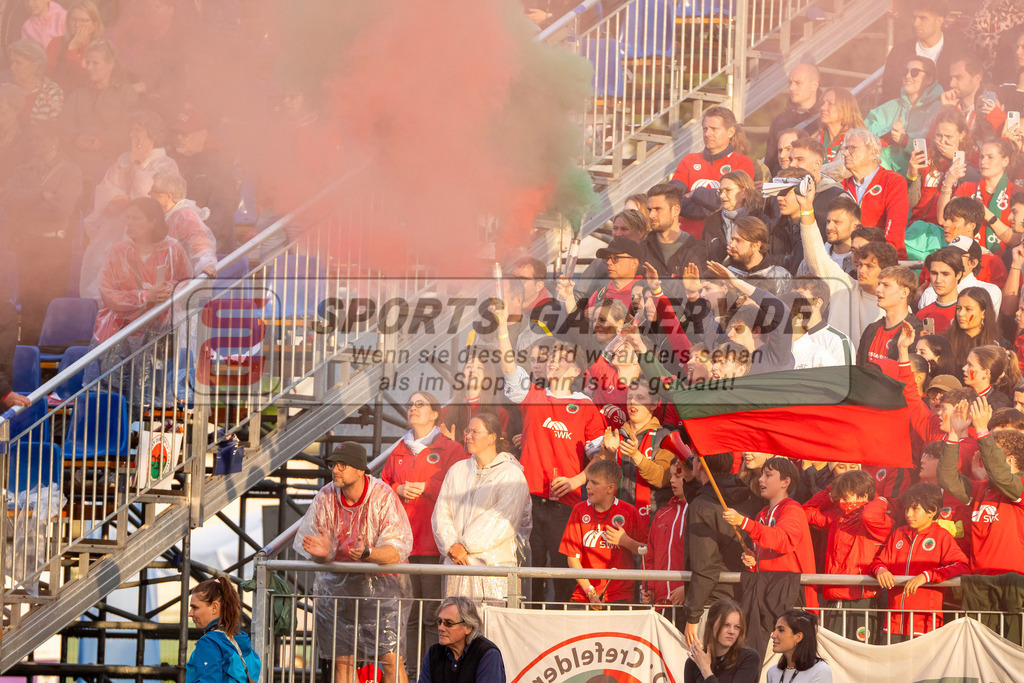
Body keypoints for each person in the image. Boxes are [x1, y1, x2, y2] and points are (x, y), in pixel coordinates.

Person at [494, 304, 605, 603]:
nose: (554, 361)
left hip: (565, 504)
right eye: (553, 356)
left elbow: (601, 458)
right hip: (528, 501)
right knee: (527, 573)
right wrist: (502, 327)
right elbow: (509, 368)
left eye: (562, 358)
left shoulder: (586, 407)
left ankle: (557, 622)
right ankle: (525, 621)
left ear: (576, 370)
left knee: (562, 574)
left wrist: (577, 480)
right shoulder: (534, 396)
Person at [294, 442, 414, 683]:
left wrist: (367, 553)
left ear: (360, 470)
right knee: (343, 662)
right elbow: (320, 548)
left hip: (382, 588)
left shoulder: (382, 496)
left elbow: (396, 551)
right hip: (340, 589)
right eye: (333, 465)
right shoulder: (326, 496)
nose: (335, 470)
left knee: (390, 659)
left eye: (342, 465)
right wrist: (322, 554)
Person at [382, 392, 467, 638]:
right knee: (407, 615)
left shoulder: (452, 449)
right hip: (403, 546)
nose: (413, 408)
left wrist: (427, 487)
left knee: (433, 615)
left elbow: (461, 489)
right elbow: (382, 488)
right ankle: (410, 664)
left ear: (434, 414)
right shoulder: (399, 449)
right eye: (410, 404)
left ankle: (431, 663)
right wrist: (397, 489)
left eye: (420, 404)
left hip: (434, 545)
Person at [79, 108, 178, 301]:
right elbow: (106, 192)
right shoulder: (122, 160)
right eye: (131, 130)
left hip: (146, 237)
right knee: (99, 271)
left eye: (137, 130)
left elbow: (147, 200)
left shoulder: (166, 164)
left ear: (152, 134)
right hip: (112, 232)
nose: (132, 135)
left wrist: (137, 165)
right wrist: (125, 199)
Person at [432, 413, 531, 604]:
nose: (468, 436)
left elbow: (502, 520)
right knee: (457, 618)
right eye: (467, 431)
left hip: (493, 567)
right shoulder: (457, 470)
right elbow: (441, 513)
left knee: (492, 620)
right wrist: (452, 546)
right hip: (457, 564)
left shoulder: (510, 474)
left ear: (492, 438)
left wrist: (465, 546)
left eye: (475, 432)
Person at [1, 121, 83, 344]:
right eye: (33, 139)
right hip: (28, 243)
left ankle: (51, 349)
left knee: (52, 300)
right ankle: (28, 348)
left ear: (55, 141)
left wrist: (28, 201)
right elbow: (8, 198)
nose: (34, 143)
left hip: (56, 246)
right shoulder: (22, 170)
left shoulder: (70, 170)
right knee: (29, 300)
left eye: (40, 138)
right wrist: (41, 195)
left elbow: (63, 208)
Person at [869, 482, 970, 640]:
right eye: (906, 508)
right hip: (893, 623)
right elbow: (878, 562)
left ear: (932, 511)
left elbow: (962, 566)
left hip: (925, 625)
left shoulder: (942, 536)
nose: (908, 514)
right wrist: (880, 570)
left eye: (915, 509)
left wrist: (927, 576)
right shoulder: (899, 533)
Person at [803, 470, 893, 641]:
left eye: (845, 497)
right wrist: (832, 491)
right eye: (840, 498)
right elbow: (805, 512)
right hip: (834, 598)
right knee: (831, 653)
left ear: (864, 496)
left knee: (861, 654)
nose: (841, 502)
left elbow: (869, 516)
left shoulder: (879, 520)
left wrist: (880, 499)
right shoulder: (836, 517)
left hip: (862, 600)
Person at [938, 396, 1024, 575]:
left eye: (992, 454)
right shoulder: (983, 488)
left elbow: (1001, 477)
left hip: (1012, 580)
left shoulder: (1021, 487)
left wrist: (982, 430)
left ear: (1010, 460)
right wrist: (954, 434)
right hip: (978, 580)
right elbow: (948, 479)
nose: (986, 459)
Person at [91, 196, 192, 344]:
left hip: (162, 331)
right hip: (121, 332)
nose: (129, 223)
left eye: (136, 218)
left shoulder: (172, 249)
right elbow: (107, 294)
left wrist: (168, 290)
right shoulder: (118, 252)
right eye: (128, 217)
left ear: (152, 222)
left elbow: (186, 284)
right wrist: (144, 296)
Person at [723, 457, 818, 609]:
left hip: (790, 595)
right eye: (762, 475)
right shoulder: (761, 514)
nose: (761, 479)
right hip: (768, 593)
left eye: (768, 475)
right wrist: (753, 562)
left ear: (785, 482)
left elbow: (782, 540)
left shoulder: (793, 509)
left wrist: (744, 522)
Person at [679, 452, 749, 645]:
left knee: (706, 661)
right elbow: (709, 499)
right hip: (742, 597)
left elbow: (705, 565)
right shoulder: (744, 492)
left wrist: (693, 616)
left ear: (701, 464)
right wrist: (690, 481)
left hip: (713, 604)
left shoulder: (701, 506)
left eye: (694, 457)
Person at [559, 459, 647, 608]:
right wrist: (590, 592)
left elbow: (646, 550)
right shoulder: (579, 510)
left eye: (594, 482)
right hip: (584, 595)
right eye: (588, 481)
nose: (588, 486)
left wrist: (625, 541)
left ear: (610, 488)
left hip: (620, 597)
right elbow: (572, 558)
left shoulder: (629, 511)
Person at [60, 39, 140, 189]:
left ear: (110, 65)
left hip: (113, 163)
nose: (89, 67)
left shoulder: (125, 94)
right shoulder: (78, 95)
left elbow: (131, 126)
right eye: (87, 62)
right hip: (77, 163)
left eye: (95, 63)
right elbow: (64, 123)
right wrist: (76, 137)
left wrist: (103, 139)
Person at [672, 107, 756, 237]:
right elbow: (672, 199)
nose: (707, 134)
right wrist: (714, 207)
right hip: (687, 240)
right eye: (705, 129)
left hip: (723, 240)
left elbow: (733, 203)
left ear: (730, 132)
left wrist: (694, 193)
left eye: (714, 129)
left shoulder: (742, 163)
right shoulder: (689, 160)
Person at [596, 379, 672, 519]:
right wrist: (610, 454)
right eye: (630, 397)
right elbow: (600, 481)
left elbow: (663, 478)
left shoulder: (664, 436)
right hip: (616, 518)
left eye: (640, 397)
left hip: (653, 519)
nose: (632, 402)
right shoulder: (615, 436)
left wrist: (637, 456)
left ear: (654, 404)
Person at [169, 104, 239, 251]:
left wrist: (197, 238)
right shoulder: (169, 161)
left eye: (185, 133)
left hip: (211, 245)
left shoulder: (218, 165)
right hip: (178, 240)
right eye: (175, 133)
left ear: (202, 135)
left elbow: (221, 212)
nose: (178, 137)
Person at [942, 139, 1023, 254]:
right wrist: (948, 183)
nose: (983, 161)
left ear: (1005, 161)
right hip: (967, 256)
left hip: (1001, 260)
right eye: (981, 157)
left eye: (990, 157)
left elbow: (1016, 239)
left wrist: (987, 215)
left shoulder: (1017, 192)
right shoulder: (967, 187)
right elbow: (943, 219)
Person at [866, 56, 944, 174]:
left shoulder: (938, 109)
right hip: (883, 174)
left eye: (914, 72)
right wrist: (886, 135)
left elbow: (935, 148)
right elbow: (863, 133)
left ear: (928, 79)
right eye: (905, 71)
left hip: (917, 177)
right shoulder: (890, 106)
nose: (907, 76)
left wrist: (905, 140)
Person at [838, 128, 910, 257]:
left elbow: (895, 231)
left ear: (873, 153)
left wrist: (883, 258)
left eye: (852, 148)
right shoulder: (841, 186)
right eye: (845, 148)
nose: (846, 153)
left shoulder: (893, 181)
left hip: (884, 257)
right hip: (850, 258)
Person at [185, 577, 261, 683]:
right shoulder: (241, 642)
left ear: (214, 607)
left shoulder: (210, 643)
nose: (190, 613)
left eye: (195, 607)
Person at [880, 0, 958, 101]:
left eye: (923, 18)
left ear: (939, 21)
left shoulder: (958, 51)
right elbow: (888, 94)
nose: (916, 23)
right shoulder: (899, 53)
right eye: (914, 18)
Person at [642, 182, 710, 297]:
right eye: (650, 209)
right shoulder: (642, 248)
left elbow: (695, 293)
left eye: (657, 209)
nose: (651, 215)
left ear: (675, 210)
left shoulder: (697, 249)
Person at [417, 597, 506, 683]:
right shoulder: (433, 653)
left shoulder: (487, 654)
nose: (441, 628)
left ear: (468, 627)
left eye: (449, 623)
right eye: (439, 622)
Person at [149, 170, 218, 277]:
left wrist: (205, 263)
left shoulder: (184, 216)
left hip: (182, 281)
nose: (149, 194)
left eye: (153, 191)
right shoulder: (165, 216)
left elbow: (198, 239)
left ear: (168, 197)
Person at [642, 457, 689, 611]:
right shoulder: (661, 514)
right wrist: (649, 588)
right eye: (671, 475)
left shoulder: (699, 511)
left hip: (689, 602)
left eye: (678, 476)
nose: (672, 480)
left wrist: (689, 588)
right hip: (661, 602)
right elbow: (649, 556)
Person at [857, 265, 922, 366]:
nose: (878, 289)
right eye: (879, 284)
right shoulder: (871, 329)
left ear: (904, 293)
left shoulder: (916, 333)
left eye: (886, 285)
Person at [683, 599, 760, 683]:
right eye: (726, 625)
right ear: (710, 625)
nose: (732, 631)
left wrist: (706, 671)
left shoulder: (749, 657)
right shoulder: (694, 662)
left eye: (737, 627)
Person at [765, 63, 821, 174]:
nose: (791, 88)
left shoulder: (824, 119)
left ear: (814, 85)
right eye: (790, 83)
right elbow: (770, 161)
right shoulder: (779, 121)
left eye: (798, 83)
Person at [788, 137, 850, 235]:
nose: (792, 164)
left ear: (817, 164)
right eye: (790, 159)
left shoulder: (837, 197)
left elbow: (846, 236)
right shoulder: (783, 194)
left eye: (799, 159)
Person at [703, 171, 768, 263]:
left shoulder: (761, 222)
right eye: (720, 191)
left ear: (744, 193)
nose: (722, 196)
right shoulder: (712, 222)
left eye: (728, 190)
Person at [47, 1, 103, 91]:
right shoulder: (56, 43)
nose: (77, 25)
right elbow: (50, 77)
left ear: (94, 25)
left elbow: (86, 82)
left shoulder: (100, 49)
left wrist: (72, 51)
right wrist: (72, 48)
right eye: (73, 19)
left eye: (83, 20)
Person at [765, 610, 833, 683]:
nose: (773, 635)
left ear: (798, 637)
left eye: (781, 630)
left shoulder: (820, 670)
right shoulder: (772, 672)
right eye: (774, 629)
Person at [7, 39, 63, 122]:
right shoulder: (5, 90)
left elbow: (55, 126)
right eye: (12, 62)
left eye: (18, 63)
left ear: (35, 66)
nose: (12, 67)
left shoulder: (51, 92)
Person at [947, 287, 1000, 371]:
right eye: (959, 308)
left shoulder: (998, 344)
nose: (961, 314)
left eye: (968, 309)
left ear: (984, 313)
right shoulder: (946, 342)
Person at [916, 247, 965, 335]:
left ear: (958, 275)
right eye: (934, 273)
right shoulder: (922, 315)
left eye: (945, 274)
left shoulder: (968, 312)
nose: (938, 280)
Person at [817, 88, 865, 162]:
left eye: (830, 104)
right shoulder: (816, 140)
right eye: (823, 103)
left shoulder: (857, 141)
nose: (823, 108)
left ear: (844, 109)